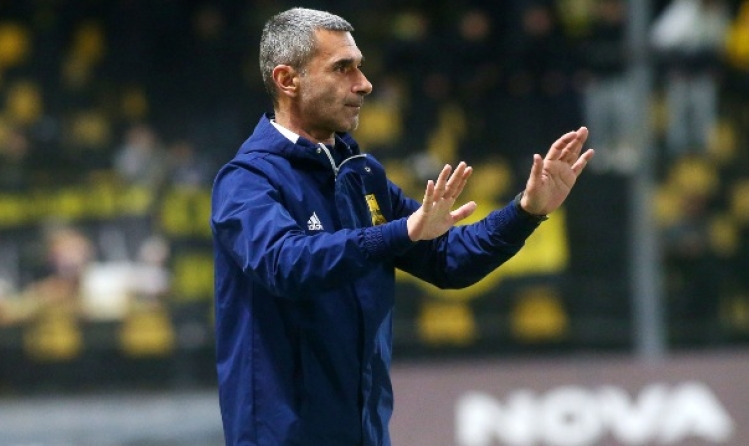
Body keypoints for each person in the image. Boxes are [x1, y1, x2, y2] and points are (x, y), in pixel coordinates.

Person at [210, 7, 594, 446]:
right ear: (287, 80)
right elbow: (286, 264)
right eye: (342, 68)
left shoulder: (361, 175)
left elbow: (448, 259)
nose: (364, 83)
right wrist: (401, 232)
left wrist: (525, 211)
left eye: (360, 67)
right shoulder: (248, 180)